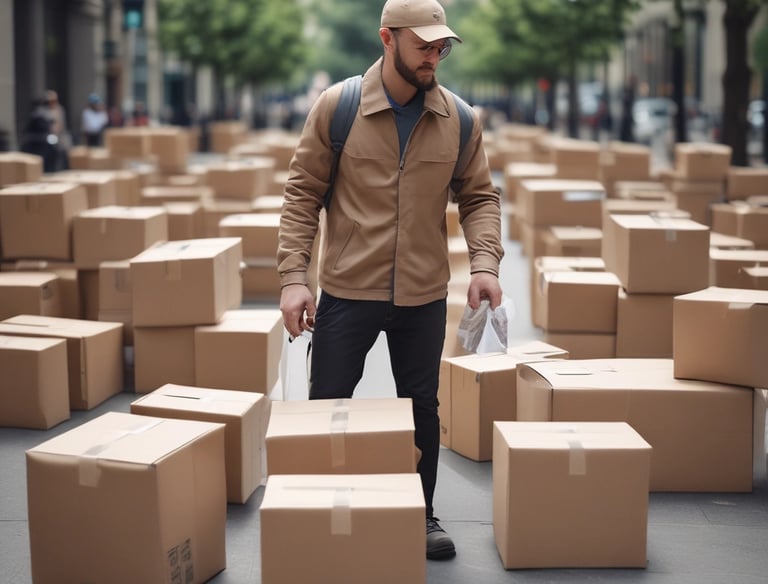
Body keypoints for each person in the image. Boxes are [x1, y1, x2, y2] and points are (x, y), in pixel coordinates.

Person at [277, 0, 503, 561]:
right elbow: (302, 195)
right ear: (388, 38)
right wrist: (292, 279)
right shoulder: (340, 107)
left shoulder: (460, 119)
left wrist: (484, 265)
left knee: (422, 407)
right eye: (423, 44)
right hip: (347, 290)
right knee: (327, 403)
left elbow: (479, 198)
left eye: (441, 45)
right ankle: (316, 508)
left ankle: (421, 512)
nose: (434, 55)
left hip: (423, 294)